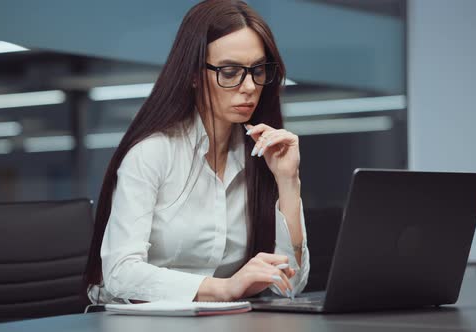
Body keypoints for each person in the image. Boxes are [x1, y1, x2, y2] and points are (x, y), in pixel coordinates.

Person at [84, 0, 309, 304]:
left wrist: (288, 180)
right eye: (229, 72)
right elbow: (120, 273)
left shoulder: (257, 155)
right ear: (192, 74)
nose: (249, 87)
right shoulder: (152, 153)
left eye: (258, 70)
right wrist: (225, 288)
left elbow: (290, 286)